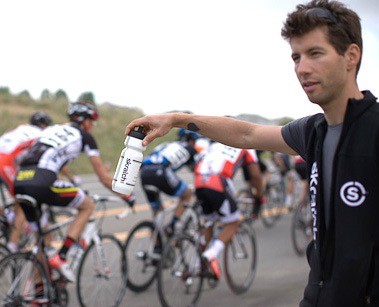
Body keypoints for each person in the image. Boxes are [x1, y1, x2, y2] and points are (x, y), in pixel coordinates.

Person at [125, 1, 375, 305]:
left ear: (351, 56)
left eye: (315, 53)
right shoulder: (312, 132)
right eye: (296, 56)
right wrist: (176, 119)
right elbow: (247, 133)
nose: (302, 68)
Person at [14, 101, 134, 282]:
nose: (92, 125)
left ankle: (38, 296)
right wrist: (126, 195)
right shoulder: (85, 136)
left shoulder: (51, 130)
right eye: (91, 121)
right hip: (42, 181)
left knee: (43, 242)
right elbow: (103, 178)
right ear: (84, 121)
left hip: (20, 180)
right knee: (87, 205)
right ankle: (62, 256)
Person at [194, 141, 263, 278]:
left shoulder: (213, 145)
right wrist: (259, 198)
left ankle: (197, 263)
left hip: (199, 181)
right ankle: (210, 255)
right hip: (219, 182)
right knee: (232, 222)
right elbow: (255, 175)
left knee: (209, 221)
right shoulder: (246, 144)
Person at [0, 112, 52, 253]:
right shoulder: (43, 135)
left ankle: (6, 219)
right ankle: (12, 247)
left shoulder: (20, 128)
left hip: (3, 158)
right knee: (22, 204)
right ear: (43, 125)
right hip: (5, 163)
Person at [139, 128, 199, 236]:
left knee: (157, 212)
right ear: (191, 140)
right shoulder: (190, 148)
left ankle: (156, 247)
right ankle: (172, 226)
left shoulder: (167, 145)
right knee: (187, 194)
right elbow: (197, 170)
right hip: (161, 171)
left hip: (144, 172)